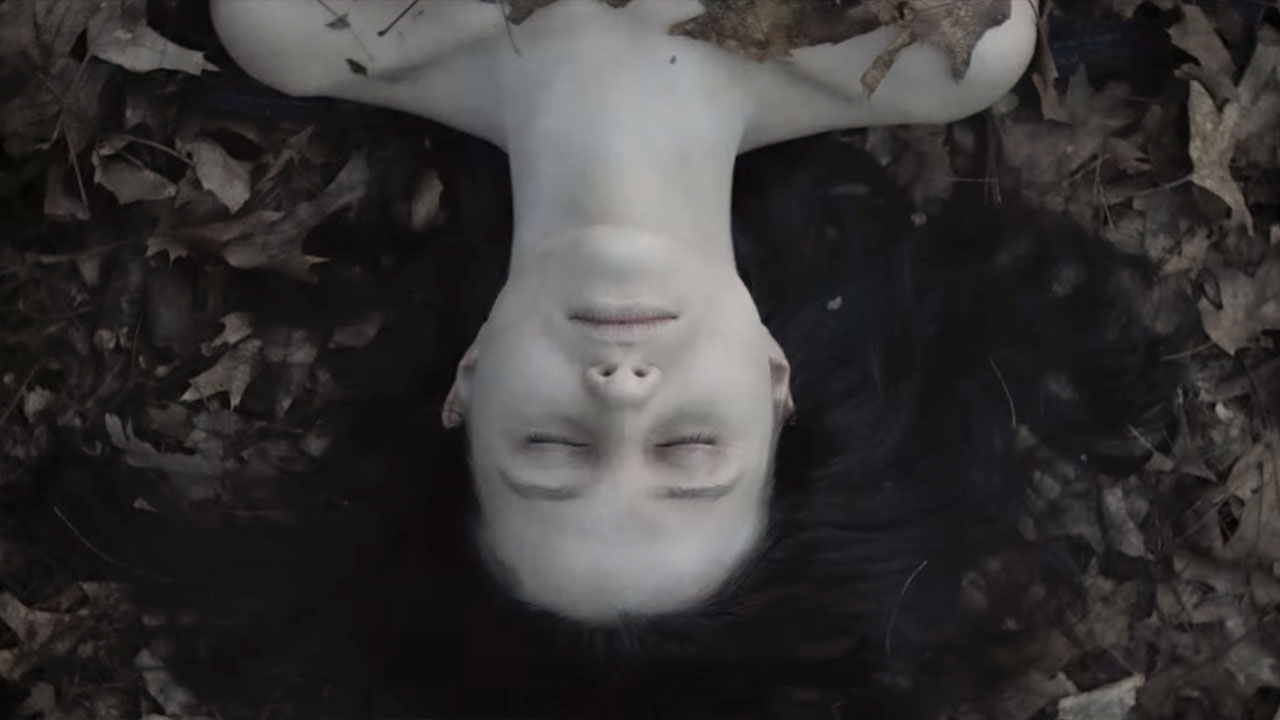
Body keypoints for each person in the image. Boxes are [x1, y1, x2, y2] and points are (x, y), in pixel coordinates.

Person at [35, 2, 1184, 717]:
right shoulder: (933, 46)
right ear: (773, 383)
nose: (622, 396)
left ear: (468, 386)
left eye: (550, 449)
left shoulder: (306, 23)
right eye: (688, 450)